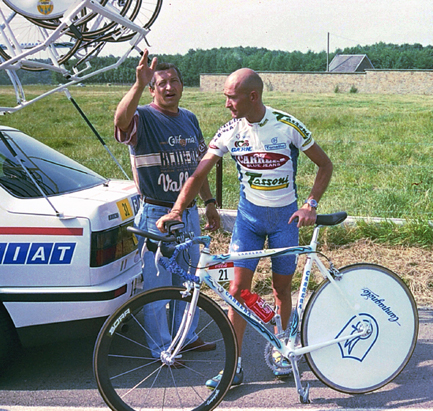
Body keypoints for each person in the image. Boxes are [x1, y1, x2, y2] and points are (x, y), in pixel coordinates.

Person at [157, 68, 333, 385]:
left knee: (281, 289)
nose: (226, 104)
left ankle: (282, 349)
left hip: (284, 220)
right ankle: (234, 367)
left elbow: (325, 164)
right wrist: (177, 210)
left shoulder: (287, 125)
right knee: (238, 292)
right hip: (249, 221)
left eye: (231, 97)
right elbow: (198, 174)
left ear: (252, 96)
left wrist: (311, 204)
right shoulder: (229, 131)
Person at [114, 49, 221, 362]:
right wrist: (136, 84)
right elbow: (120, 121)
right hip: (157, 215)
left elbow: (197, 168)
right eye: (161, 83)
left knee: (188, 281)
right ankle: (162, 348)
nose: (169, 87)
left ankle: (185, 338)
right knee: (158, 285)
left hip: (187, 215)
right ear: (152, 89)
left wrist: (210, 202)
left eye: (174, 81)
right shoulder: (143, 118)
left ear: (182, 86)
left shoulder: (189, 119)